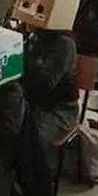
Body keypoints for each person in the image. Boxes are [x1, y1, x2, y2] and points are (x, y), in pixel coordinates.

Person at [21, 24, 78, 174]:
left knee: (32, 142)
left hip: (58, 108)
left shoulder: (64, 44)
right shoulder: (30, 37)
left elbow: (45, 84)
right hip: (31, 102)